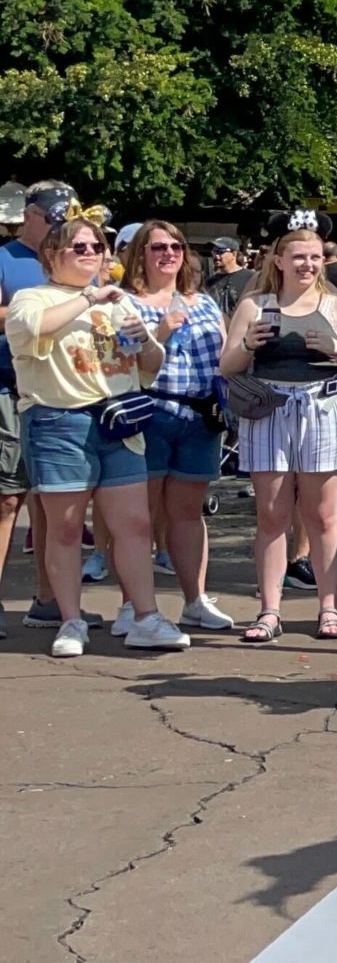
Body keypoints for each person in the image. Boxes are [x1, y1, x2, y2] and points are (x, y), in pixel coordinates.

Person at [7, 214, 189, 656]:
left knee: (135, 524)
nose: (92, 254)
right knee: (66, 528)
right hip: (59, 421)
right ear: (53, 255)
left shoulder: (119, 303)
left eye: (97, 248)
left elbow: (148, 368)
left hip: (120, 419)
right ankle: (71, 621)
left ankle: (146, 615)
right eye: (80, 247)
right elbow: (34, 330)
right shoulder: (32, 297)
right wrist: (90, 297)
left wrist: (147, 342)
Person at [219, 227, 337, 644]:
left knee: (322, 516)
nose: (307, 264)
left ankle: (329, 607)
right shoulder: (255, 304)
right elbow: (227, 366)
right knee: (272, 515)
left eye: (315, 257)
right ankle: (269, 610)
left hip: (321, 406)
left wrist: (336, 349)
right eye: (299, 257)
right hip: (268, 408)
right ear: (279, 261)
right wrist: (248, 344)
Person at [122, 221, 231, 634]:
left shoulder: (202, 301)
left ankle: (194, 600)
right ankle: (134, 606)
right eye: (157, 247)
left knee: (188, 514)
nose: (168, 253)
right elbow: (124, 359)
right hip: (150, 412)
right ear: (140, 254)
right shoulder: (127, 303)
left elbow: (224, 354)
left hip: (200, 417)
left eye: (176, 246)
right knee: (141, 517)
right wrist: (161, 331)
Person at [0, 180, 80, 635]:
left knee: (52, 502)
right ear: (29, 214)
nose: (57, 227)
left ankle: (50, 601)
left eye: (63, 220)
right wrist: (31, 313)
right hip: (8, 388)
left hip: (57, 392)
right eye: (50, 218)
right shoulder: (6, 259)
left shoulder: (70, 258)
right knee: (8, 499)